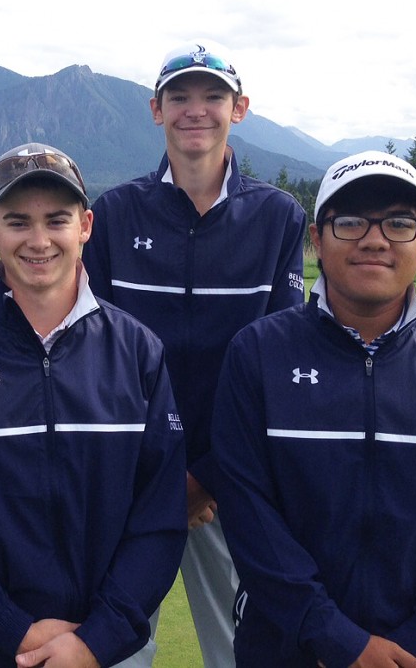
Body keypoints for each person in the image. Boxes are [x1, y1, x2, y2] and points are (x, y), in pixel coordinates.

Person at [0, 143, 188, 668]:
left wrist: (94, 640)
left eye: (57, 220)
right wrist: (15, 631)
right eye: (17, 221)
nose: (38, 240)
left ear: (86, 225)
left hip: (110, 651)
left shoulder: (139, 352)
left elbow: (159, 523)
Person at [212, 151, 416, 666]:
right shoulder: (257, 353)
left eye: (399, 223)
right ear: (317, 241)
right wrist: (336, 640)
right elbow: (247, 512)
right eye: (349, 222)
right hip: (285, 648)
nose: (375, 239)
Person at [81, 39, 308, 666]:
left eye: (214, 96)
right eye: (179, 97)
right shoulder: (114, 212)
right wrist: (155, 472)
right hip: (129, 477)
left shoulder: (278, 216)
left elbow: (278, 365)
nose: (196, 110)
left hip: (231, 485)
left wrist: (204, 475)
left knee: (244, 649)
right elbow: (89, 352)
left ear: (240, 108)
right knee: (111, 646)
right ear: (156, 110)